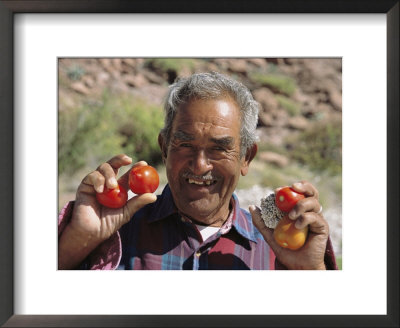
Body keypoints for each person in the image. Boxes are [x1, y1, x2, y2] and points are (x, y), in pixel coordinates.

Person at [58, 72, 337, 270]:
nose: (200, 165)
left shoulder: (279, 245)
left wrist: (309, 274)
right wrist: (79, 239)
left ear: (246, 158)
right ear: (165, 148)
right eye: (185, 144)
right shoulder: (112, 231)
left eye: (218, 149)